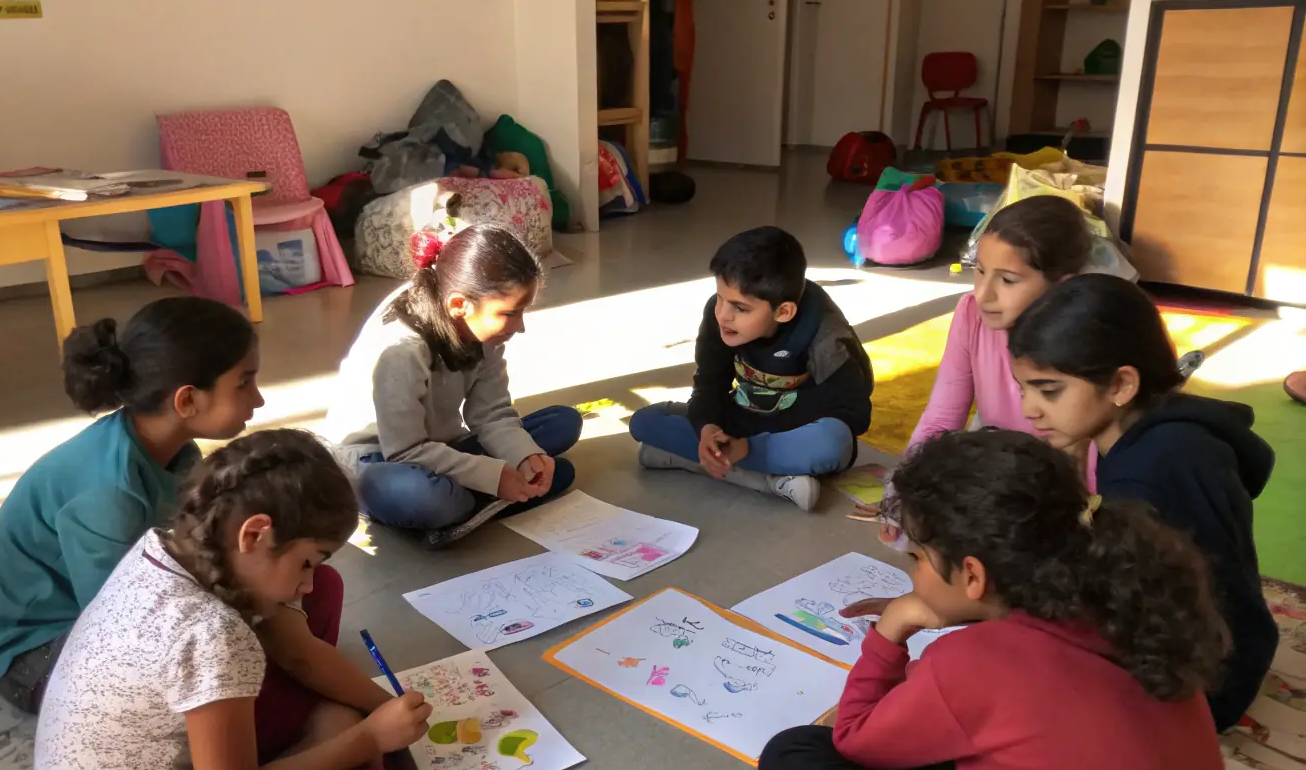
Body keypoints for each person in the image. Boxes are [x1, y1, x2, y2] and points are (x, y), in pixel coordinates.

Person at [759, 429, 1237, 770]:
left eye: (916, 556)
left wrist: (891, 629)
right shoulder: (1132, 611)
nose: (910, 571)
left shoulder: (976, 663)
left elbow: (853, 739)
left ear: (972, 575)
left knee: (794, 755)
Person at [33, 429, 429, 770]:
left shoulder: (168, 547)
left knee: (320, 595)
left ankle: (326, 747)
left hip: (161, 765)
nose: (306, 578)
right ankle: (339, 765)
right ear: (255, 533)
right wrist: (369, 738)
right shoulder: (213, 635)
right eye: (305, 560)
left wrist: (380, 708)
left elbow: (300, 653)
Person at [1009, 274, 1278, 731]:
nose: (1029, 409)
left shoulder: (1146, 473)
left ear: (1121, 385)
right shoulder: (1170, 431)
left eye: (1049, 390)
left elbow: (1136, 612)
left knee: (1015, 670)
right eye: (1024, 389)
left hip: (1205, 685)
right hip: (1232, 647)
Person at [0, 296, 263, 714]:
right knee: (210, 672)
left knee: (275, 604)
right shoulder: (109, 492)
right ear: (187, 401)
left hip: (110, 615)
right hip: (31, 656)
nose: (259, 399)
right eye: (244, 383)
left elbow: (188, 552)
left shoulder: (178, 452)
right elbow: (120, 624)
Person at [323, 226, 581, 533]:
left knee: (563, 422)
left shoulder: (484, 330)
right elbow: (405, 451)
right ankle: (477, 502)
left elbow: (491, 414)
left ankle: (477, 503)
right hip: (378, 458)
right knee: (420, 495)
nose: (520, 326)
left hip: (440, 445)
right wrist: (492, 474)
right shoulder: (400, 350)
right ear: (459, 305)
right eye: (511, 313)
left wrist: (525, 455)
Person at [628, 226, 873, 511]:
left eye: (740, 308)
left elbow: (856, 413)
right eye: (719, 297)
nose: (723, 314)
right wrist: (708, 429)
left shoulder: (824, 333)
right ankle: (773, 479)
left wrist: (750, 447)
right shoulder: (719, 315)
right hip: (741, 421)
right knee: (644, 421)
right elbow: (709, 383)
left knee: (833, 443)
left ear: (783, 312)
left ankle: (693, 460)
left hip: (793, 432)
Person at [908, 196, 1090, 449]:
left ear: (1061, 286)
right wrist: (905, 483)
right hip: (1004, 466)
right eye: (980, 271)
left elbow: (1091, 464)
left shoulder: (1090, 339)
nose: (983, 294)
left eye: (1008, 280)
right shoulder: (971, 313)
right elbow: (940, 422)